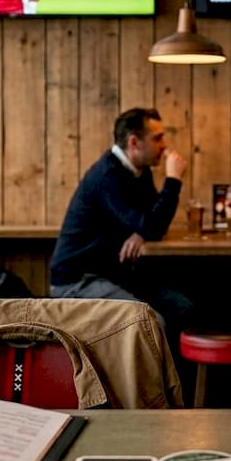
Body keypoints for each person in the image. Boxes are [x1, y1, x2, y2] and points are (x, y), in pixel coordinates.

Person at [49, 108, 193, 329]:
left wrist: (140, 232)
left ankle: (171, 366)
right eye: (157, 138)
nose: (164, 145)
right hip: (78, 281)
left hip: (112, 276)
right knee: (151, 324)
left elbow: (152, 222)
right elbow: (153, 225)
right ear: (134, 143)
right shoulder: (108, 176)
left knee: (182, 308)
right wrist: (173, 180)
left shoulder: (139, 170)